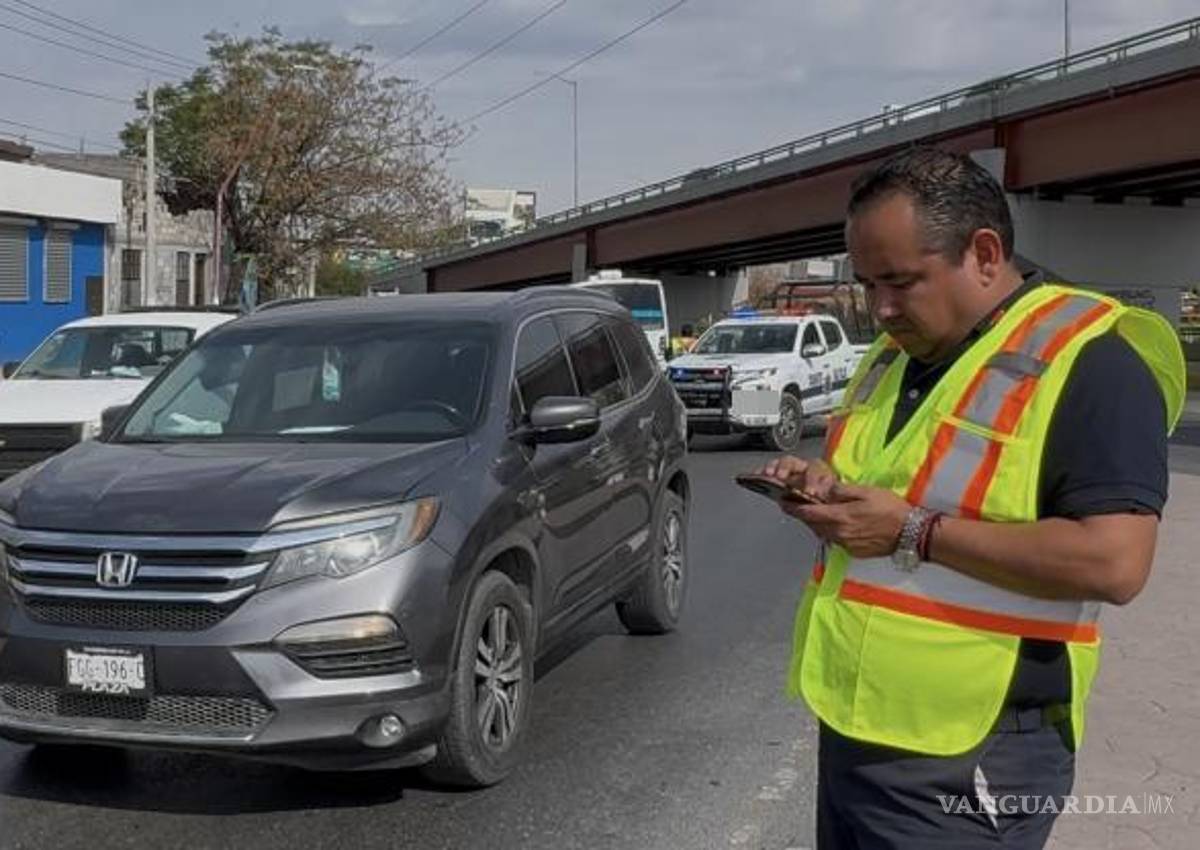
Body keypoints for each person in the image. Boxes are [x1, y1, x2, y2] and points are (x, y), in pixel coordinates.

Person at [757, 147, 1185, 849]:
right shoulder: (897, 355)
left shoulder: (1092, 361)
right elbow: (897, 497)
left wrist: (910, 531)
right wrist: (829, 499)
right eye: (867, 285)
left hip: (979, 751)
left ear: (984, 254)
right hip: (860, 727)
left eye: (900, 282)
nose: (881, 309)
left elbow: (1115, 563)